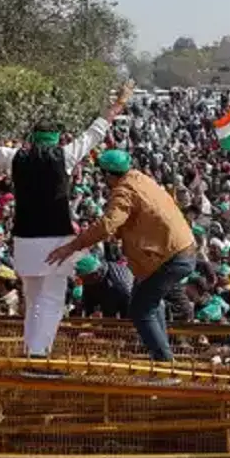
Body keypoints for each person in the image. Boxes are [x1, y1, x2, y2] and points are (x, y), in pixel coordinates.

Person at [0, 81, 133, 359]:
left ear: (33, 138)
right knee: (51, 298)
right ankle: (39, 354)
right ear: (58, 138)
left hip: (24, 240)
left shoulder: (15, 158)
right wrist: (119, 104)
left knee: (32, 299)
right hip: (56, 238)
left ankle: (31, 349)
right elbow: (97, 130)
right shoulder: (65, 155)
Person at [47, 149, 197, 362]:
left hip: (168, 256)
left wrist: (73, 246)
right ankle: (163, 355)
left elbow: (108, 224)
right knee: (148, 302)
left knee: (140, 310)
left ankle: (165, 361)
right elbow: (135, 217)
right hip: (177, 251)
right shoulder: (140, 179)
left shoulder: (124, 190)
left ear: (108, 175)